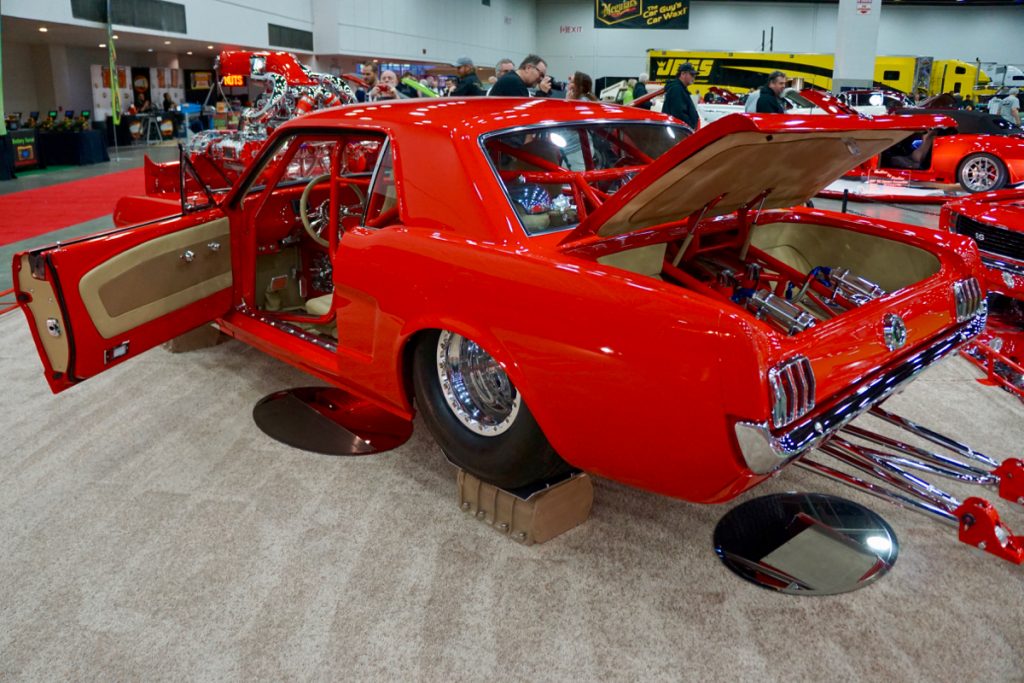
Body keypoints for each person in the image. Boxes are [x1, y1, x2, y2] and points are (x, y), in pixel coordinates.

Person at [661, 62, 699, 129]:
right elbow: (678, 113)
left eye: (694, 75)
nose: (694, 77)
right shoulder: (677, 89)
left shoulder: (680, 89)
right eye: (692, 74)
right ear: (683, 74)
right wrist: (689, 126)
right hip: (678, 131)